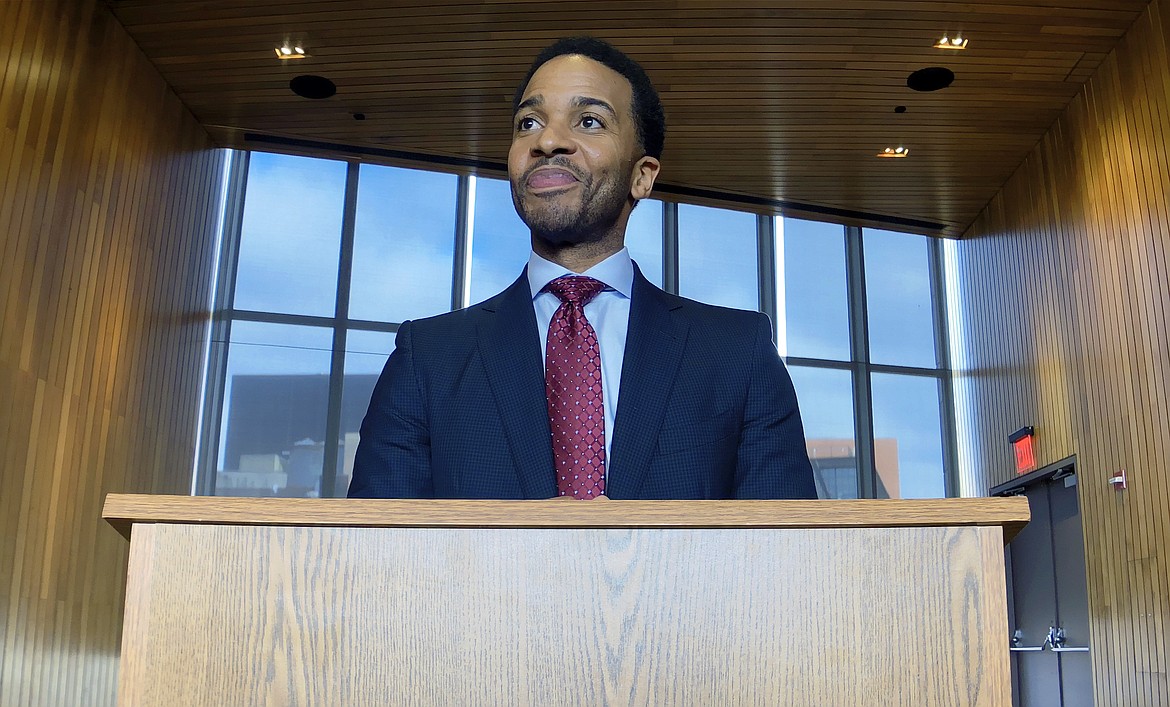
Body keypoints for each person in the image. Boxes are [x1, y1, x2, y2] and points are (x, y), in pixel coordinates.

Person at [349, 36, 816, 500]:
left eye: (589, 121)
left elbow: (788, 556)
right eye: (528, 122)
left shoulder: (738, 355)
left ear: (642, 175)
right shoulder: (426, 359)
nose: (547, 141)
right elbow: (373, 560)